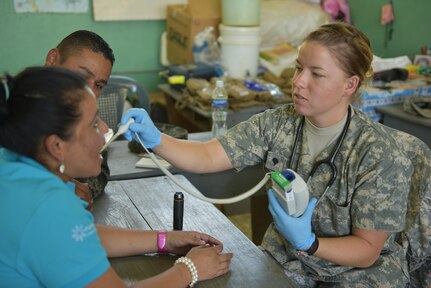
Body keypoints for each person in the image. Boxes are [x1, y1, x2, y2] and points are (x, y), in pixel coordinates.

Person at [120, 23, 413, 287]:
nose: (298, 82)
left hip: (360, 277)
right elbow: (208, 156)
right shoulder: (277, 123)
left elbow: (366, 251)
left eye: (317, 75)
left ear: (350, 84)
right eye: (299, 68)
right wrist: (156, 139)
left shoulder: (379, 153)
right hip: (288, 261)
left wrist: (309, 243)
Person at [0, 67, 232, 287]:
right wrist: (189, 269)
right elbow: (62, 229)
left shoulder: (14, 165)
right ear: (56, 146)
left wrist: (165, 240)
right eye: (93, 125)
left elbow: (80, 237)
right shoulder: (49, 207)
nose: (105, 131)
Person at [45, 30, 115, 210]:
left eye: (98, 85)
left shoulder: (87, 121)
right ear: (53, 60)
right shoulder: (13, 110)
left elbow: (100, 171)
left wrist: (83, 189)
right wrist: (56, 184)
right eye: (82, 77)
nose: (88, 92)